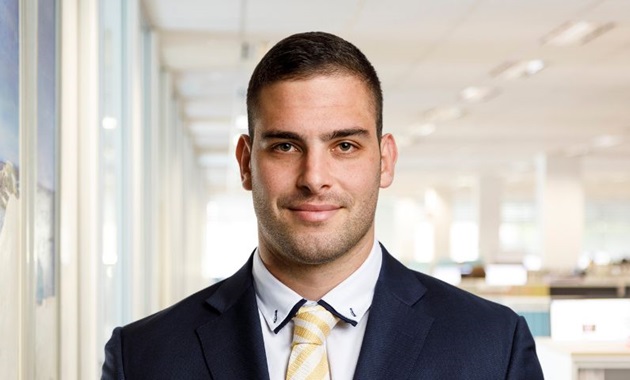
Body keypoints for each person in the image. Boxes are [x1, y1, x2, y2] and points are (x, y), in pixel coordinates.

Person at [102, 31, 544, 380]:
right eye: (286, 146)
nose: (314, 178)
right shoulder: (144, 356)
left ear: (385, 161)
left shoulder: (491, 344)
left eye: (345, 145)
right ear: (245, 163)